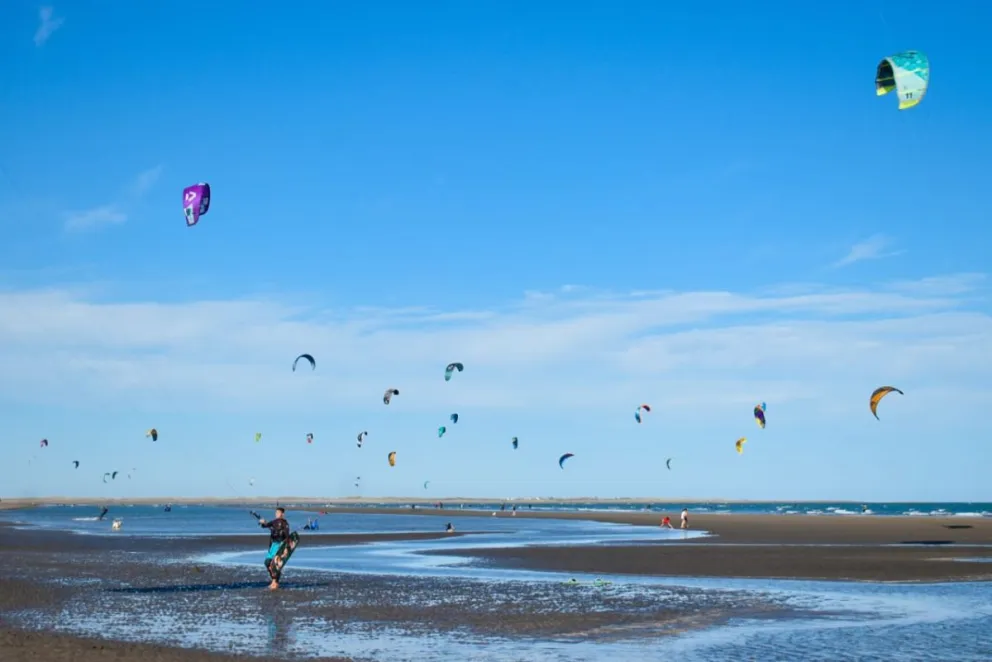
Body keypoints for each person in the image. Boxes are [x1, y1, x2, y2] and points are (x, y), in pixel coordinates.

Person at [258, 507, 291, 590]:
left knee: (275, 565)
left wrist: (286, 548)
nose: (276, 514)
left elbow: (287, 537)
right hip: (273, 545)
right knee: (267, 563)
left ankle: (275, 582)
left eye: (278, 512)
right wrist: (262, 522)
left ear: (282, 514)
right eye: (276, 512)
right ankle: (274, 581)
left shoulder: (285, 523)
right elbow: (265, 525)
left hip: (280, 545)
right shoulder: (274, 522)